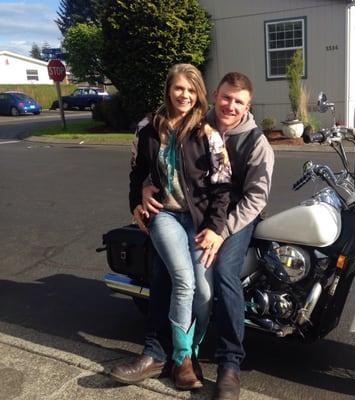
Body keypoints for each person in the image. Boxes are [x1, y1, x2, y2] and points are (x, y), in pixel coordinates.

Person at [141, 72, 275, 400]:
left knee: (226, 273)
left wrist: (221, 230)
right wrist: (144, 186)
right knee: (164, 270)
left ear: (248, 105)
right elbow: (158, 157)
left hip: (236, 219)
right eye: (226, 97)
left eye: (239, 101)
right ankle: (160, 352)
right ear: (215, 94)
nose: (231, 105)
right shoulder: (197, 124)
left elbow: (256, 198)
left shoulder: (255, 141)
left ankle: (230, 363)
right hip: (197, 215)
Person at [111, 63, 232, 390]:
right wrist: (138, 200)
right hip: (165, 215)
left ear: (199, 95)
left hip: (198, 222)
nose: (185, 95)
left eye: (192, 91)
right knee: (183, 280)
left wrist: (216, 228)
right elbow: (137, 173)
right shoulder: (147, 128)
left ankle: (188, 353)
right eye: (180, 88)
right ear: (168, 89)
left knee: (204, 292)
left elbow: (222, 187)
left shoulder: (209, 133)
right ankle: (182, 361)